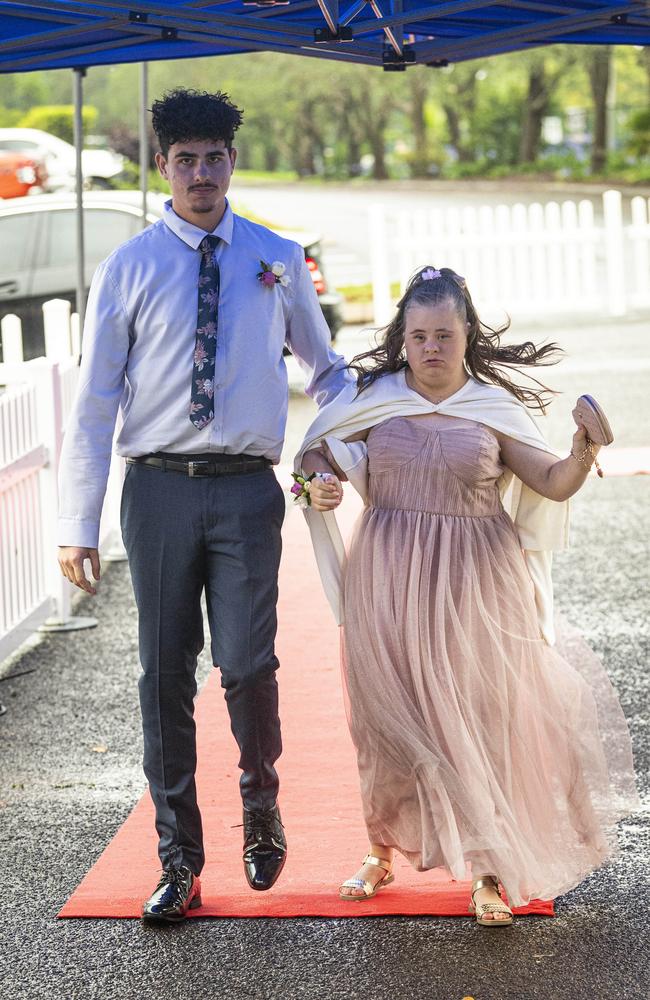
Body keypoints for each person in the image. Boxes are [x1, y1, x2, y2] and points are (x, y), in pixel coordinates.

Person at [57, 88, 352, 923]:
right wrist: (76, 523)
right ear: (163, 166)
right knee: (163, 679)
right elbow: (93, 403)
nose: (201, 174)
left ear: (232, 161)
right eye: (185, 159)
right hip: (155, 491)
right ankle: (179, 859)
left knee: (250, 665)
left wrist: (331, 445)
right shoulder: (128, 268)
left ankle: (260, 806)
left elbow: (326, 374)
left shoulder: (276, 258)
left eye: (215, 157)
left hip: (246, 491)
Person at [297, 266, 639, 925]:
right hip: (390, 581)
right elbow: (315, 457)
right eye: (419, 335)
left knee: (483, 723)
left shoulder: (493, 408)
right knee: (385, 720)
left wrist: (581, 449)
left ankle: (487, 873)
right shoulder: (376, 400)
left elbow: (553, 483)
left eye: (444, 335)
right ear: (403, 337)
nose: (431, 348)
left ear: (466, 335)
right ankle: (380, 850)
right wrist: (319, 487)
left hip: (478, 586)